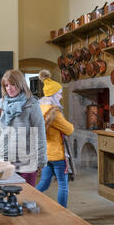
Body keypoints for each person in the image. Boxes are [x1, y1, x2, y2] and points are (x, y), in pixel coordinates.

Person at [0, 69, 47, 186]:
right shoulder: (0, 104)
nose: (9, 88)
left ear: (20, 84)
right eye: (6, 85)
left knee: (26, 196)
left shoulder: (32, 104)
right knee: (4, 195)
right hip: (4, 158)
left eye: (13, 84)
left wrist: (41, 160)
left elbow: (40, 133)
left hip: (26, 160)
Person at [35, 70, 74, 207]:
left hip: (46, 154)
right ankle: (63, 212)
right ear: (53, 95)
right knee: (63, 185)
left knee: (44, 184)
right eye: (60, 93)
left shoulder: (39, 108)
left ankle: (28, 202)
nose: (61, 96)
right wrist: (69, 124)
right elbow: (69, 129)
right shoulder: (54, 113)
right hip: (57, 155)